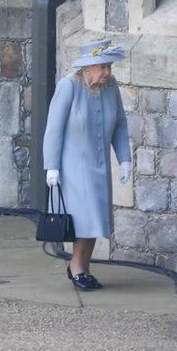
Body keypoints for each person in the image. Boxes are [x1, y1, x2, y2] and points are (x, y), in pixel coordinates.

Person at [43, 38, 132, 291]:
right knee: (84, 219)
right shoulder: (68, 86)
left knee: (96, 220)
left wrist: (124, 158)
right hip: (72, 167)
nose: (107, 72)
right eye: (102, 67)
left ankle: (83, 267)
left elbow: (120, 124)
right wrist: (52, 166)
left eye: (109, 67)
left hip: (99, 166)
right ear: (87, 68)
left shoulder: (110, 87)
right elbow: (54, 129)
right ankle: (77, 267)